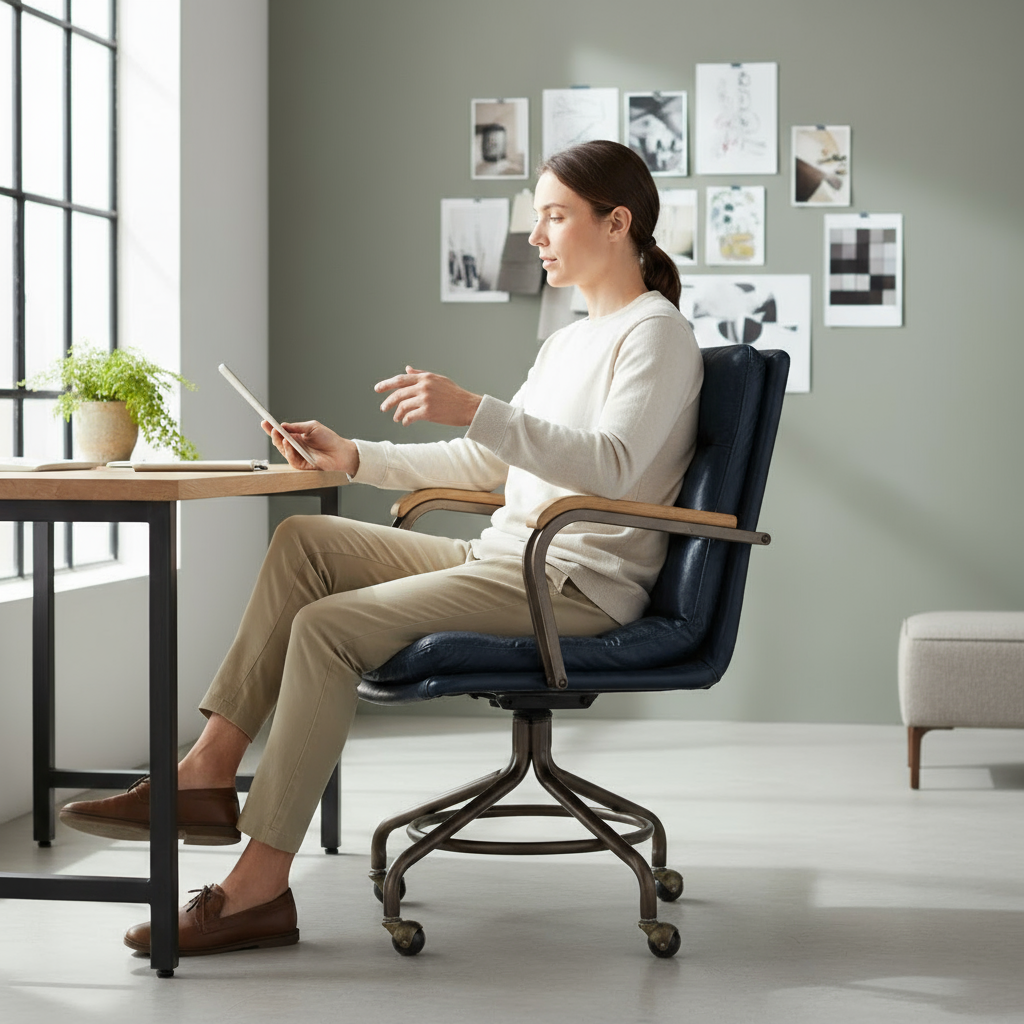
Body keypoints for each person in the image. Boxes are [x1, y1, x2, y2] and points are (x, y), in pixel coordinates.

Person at [59, 140, 704, 956]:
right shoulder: (570, 339)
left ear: (618, 223)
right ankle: (207, 774)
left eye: (553, 216)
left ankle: (256, 890)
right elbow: (496, 463)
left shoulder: (657, 336)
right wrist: (353, 456)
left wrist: (474, 405)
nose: (536, 235)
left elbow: (612, 465)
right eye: (534, 216)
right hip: (505, 558)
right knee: (305, 543)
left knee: (327, 628)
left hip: (570, 585)